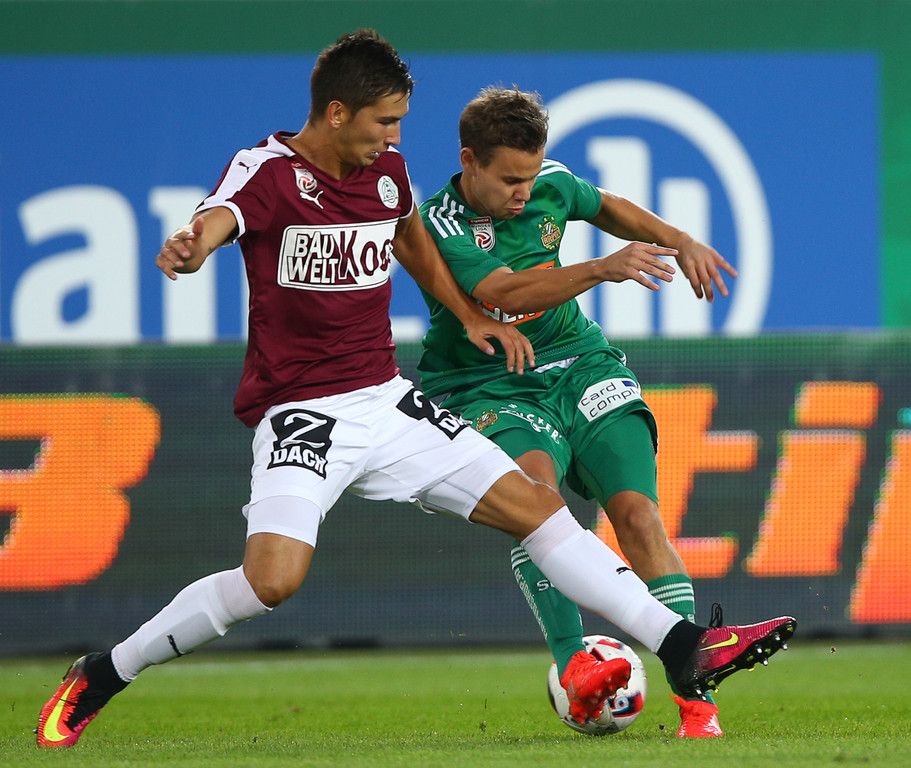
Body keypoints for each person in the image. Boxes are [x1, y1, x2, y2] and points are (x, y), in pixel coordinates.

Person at [36, 32, 795, 750]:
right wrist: (193, 244)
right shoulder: (267, 171)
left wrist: (467, 315)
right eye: (385, 121)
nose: (395, 137)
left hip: (388, 402)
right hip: (304, 413)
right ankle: (103, 673)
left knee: (538, 507)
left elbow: (408, 239)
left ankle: (684, 648)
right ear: (338, 112)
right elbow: (219, 216)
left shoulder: (388, 174)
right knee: (271, 582)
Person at [418, 87, 748, 737]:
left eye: (530, 177)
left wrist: (677, 238)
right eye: (509, 180)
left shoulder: (550, 183)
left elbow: (605, 206)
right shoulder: (439, 223)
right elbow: (504, 291)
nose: (523, 193)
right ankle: (576, 665)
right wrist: (601, 268)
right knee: (537, 504)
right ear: (469, 161)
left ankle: (697, 702)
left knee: (638, 515)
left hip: (581, 365)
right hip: (490, 383)